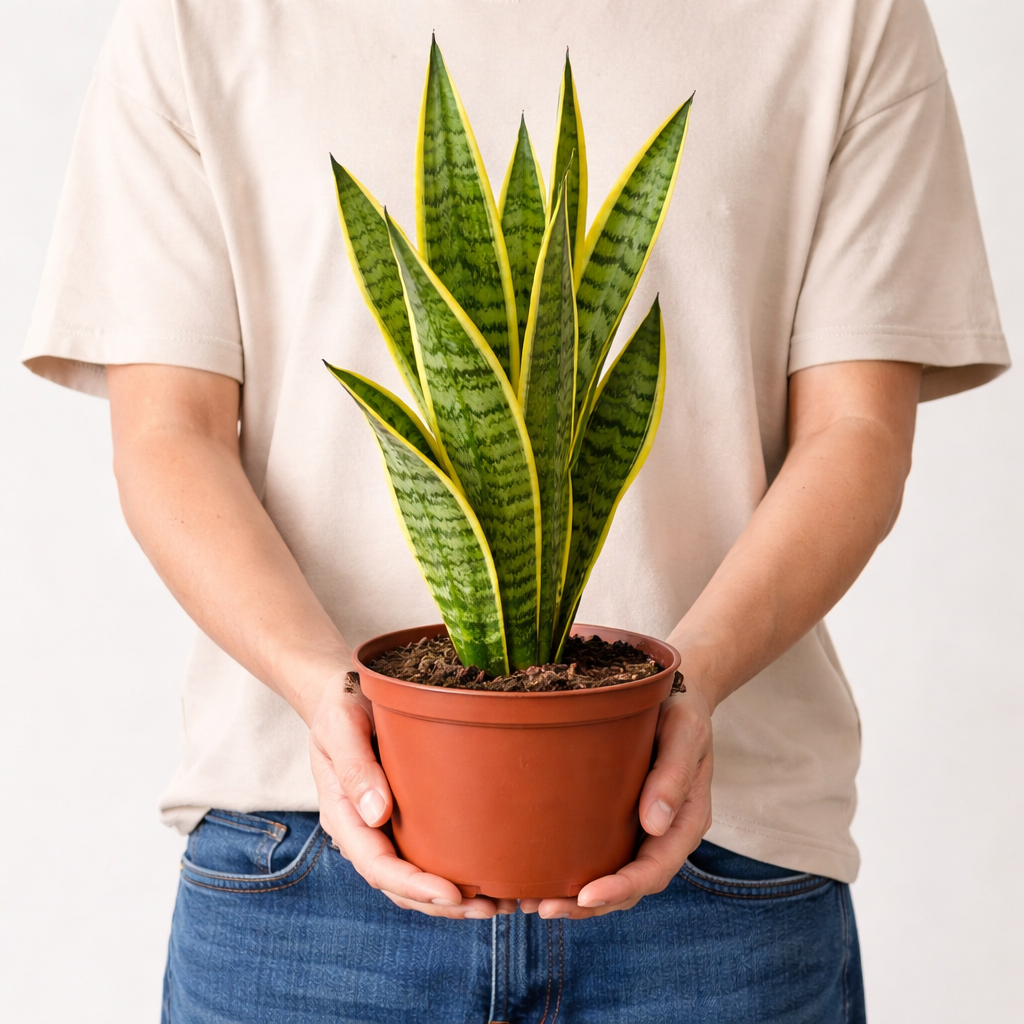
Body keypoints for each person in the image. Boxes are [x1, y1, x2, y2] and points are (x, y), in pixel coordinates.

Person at [23, 0, 1009, 1020]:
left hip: (714, 860)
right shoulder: (198, 15)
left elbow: (855, 434)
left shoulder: (846, 16)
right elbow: (167, 435)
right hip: (306, 861)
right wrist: (325, 695)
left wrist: (690, 687)